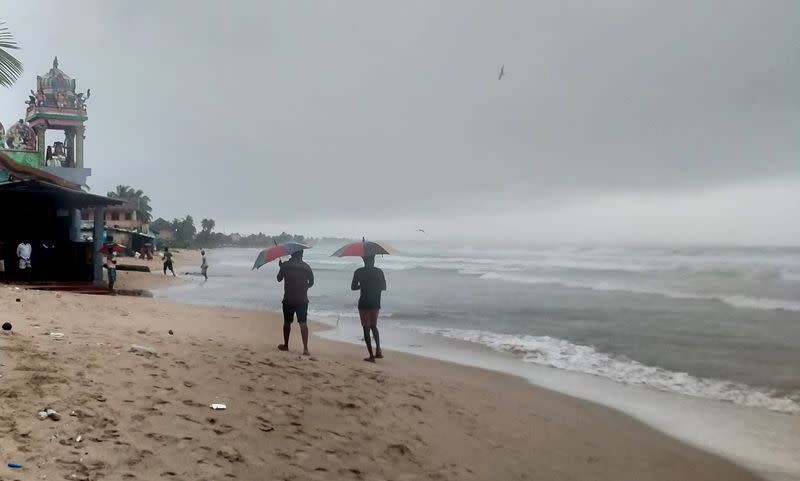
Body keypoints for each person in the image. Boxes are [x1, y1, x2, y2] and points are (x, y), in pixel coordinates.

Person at [276, 250, 314, 355]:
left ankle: (286, 345)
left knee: (287, 322)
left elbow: (279, 279)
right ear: (301, 255)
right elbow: (311, 282)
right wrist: (305, 287)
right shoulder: (306, 267)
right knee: (303, 323)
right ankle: (305, 349)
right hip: (302, 299)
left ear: (292, 254)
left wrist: (281, 267)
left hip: (288, 299)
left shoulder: (285, 265)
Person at [351, 255, 387, 362]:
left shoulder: (359, 272)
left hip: (364, 303)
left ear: (363, 260)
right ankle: (378, 350)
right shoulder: (379, 271)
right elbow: (384, 287)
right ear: (374, 260)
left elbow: (353, 287)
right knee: (374, 326)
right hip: (375, 302)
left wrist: (362, 285)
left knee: (366, 328)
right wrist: (374, 286)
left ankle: (371, 356)